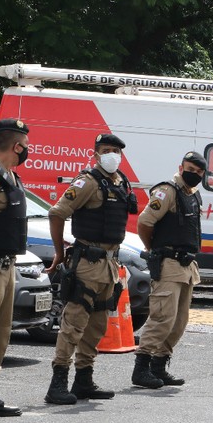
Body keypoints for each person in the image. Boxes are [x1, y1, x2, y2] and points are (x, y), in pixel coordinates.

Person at [45, 133, 137, 405]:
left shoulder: (120, 182)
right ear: (96, 154)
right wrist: (60, 253)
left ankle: (83, 379)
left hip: (109, 264)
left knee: (96, 326)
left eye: (116, 151)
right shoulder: (87, 182)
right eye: (106, 150)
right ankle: (58, 382)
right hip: (86, 263)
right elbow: (57, 212)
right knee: (73, 324)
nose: (112, 155)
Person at [131, 151, 208, 389]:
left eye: (198, 171)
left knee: (179, 322)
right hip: (168, 263)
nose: (193, 174)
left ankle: (159, 365)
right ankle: (141, 368)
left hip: (186, 265)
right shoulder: (167, 191)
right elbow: (144, 222)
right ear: (180, 166)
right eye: (190, 169)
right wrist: (152, 247)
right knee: (162, 318)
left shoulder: (193, 195)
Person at [0, 119, 30, 416]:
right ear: (17, 146)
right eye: (25, 145)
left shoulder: (11, 177)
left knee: (1, 332)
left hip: (7, 266)